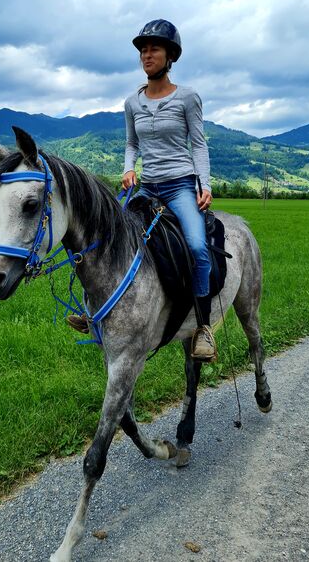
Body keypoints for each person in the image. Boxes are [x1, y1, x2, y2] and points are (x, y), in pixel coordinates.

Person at [122, 19, 216, 361]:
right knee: (112, 238)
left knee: (196, 246)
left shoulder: (188, 97)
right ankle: (100, 314)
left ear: (170, 56)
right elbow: (131, 143)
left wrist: (204, 184)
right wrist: (129, 168)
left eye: (154, 49)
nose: (147, 55)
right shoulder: (132, 103)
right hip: (147, 188)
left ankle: (203, 328)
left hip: (179, 187)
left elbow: (199, 145)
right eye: (143, 50)